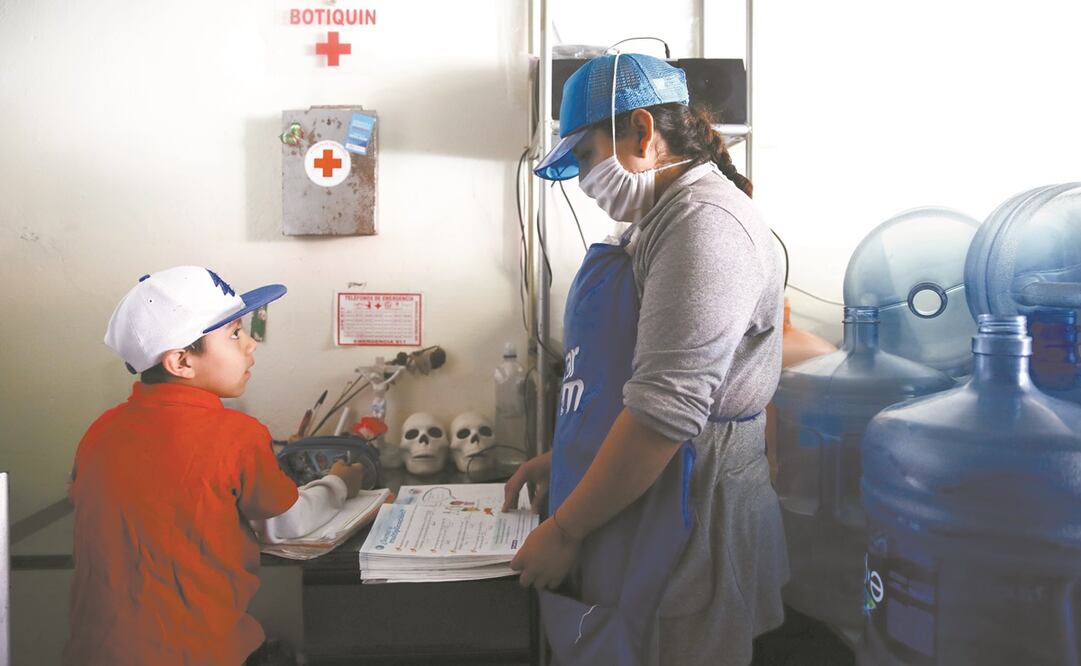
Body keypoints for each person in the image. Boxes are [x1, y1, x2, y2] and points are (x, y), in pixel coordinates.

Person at [503, 53, 788, 665]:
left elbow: (665, 413)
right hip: (652, 478)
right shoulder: (657, 220)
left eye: (584, 155)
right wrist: (568, 459)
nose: (583, 179)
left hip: (692, 500)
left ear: (641, 131)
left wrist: (565, 529)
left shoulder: (705, 225)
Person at [65, 266, 369, 665]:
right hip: (200, 653)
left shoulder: (98, 432)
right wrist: (338, 483)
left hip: (94, 652)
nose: (251, 345)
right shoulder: (235, 434)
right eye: (235, 334)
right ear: (181, 362)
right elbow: (289, 523)